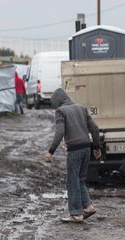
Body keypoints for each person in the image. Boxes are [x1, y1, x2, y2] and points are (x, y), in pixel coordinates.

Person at [44, 88, 102, 223]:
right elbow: (95, 128)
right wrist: (97, 147)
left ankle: (76, 213)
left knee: (72, 181)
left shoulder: (61, 111)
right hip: (87, 148)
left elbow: (59, 133)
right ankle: (88, 207)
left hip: (74, 150)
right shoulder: (82, 108)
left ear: (58, 101)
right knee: (79, 179)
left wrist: (50, 151)